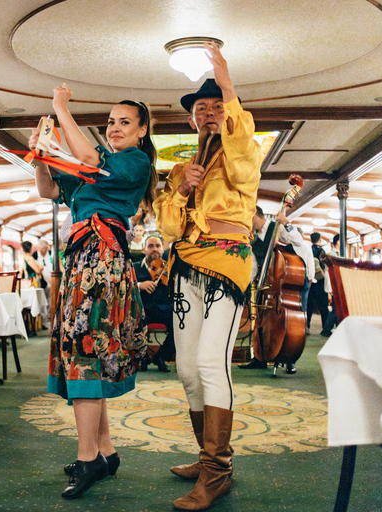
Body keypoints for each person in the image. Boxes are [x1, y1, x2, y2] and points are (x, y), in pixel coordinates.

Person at [33, 84, 156, 499]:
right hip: (83, 263)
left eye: (125, 122)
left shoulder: (132, 163)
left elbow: (86, 155)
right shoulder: (92, 171)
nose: (116, 128)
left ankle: (87, 460)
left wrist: (60, 110)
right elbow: (49, 190)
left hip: (101, 263)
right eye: (111, 123)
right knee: (88, 355)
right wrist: (41, 156)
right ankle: (104, 452)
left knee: (85, 355)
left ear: (141, 132)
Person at [153, 43, 261, 510]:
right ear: (192, 119)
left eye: (219, 106)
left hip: (227, 261)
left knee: (212, 364)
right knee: (185, 367)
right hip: (187, 264)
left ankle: (218, 470)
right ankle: (206, 455)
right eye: (203, 108)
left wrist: (226, 79)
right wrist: (181, 190)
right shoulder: (181, 167)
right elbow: (168, 227)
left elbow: (240, 159)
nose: (212, 113)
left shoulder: (243, 147)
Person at [242, 206, 314, 373]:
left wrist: (286, 223)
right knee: (260, 320)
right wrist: (250, 284)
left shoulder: (276, 228)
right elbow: (254, 264)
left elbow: (298, 241)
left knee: (287, 322)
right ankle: (260, 357)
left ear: (253, 217)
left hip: (280, 286)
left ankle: (289, 358)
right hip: (264, 286)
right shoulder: (253, 239)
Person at [134, 234, 175, 372]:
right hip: (142, 309)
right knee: (133, 323)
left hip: (163, 309)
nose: (154, 249)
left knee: (180, 325)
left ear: (163, 249)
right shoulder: (134, 267)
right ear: (144, 249)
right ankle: (142, 357)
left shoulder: (169, 269)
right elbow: (125, 286)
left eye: (158, 246)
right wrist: (139, 285)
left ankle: (161, 356)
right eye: (150, 246)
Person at [307, 232, 331, 336]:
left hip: (311, 281)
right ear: (320, 239)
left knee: (309, 305)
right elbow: (324, 265)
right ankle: (325, 327)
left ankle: (306, 326)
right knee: (323, 306)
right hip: (320, 281)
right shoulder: (322, 251)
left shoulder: (309, 250)